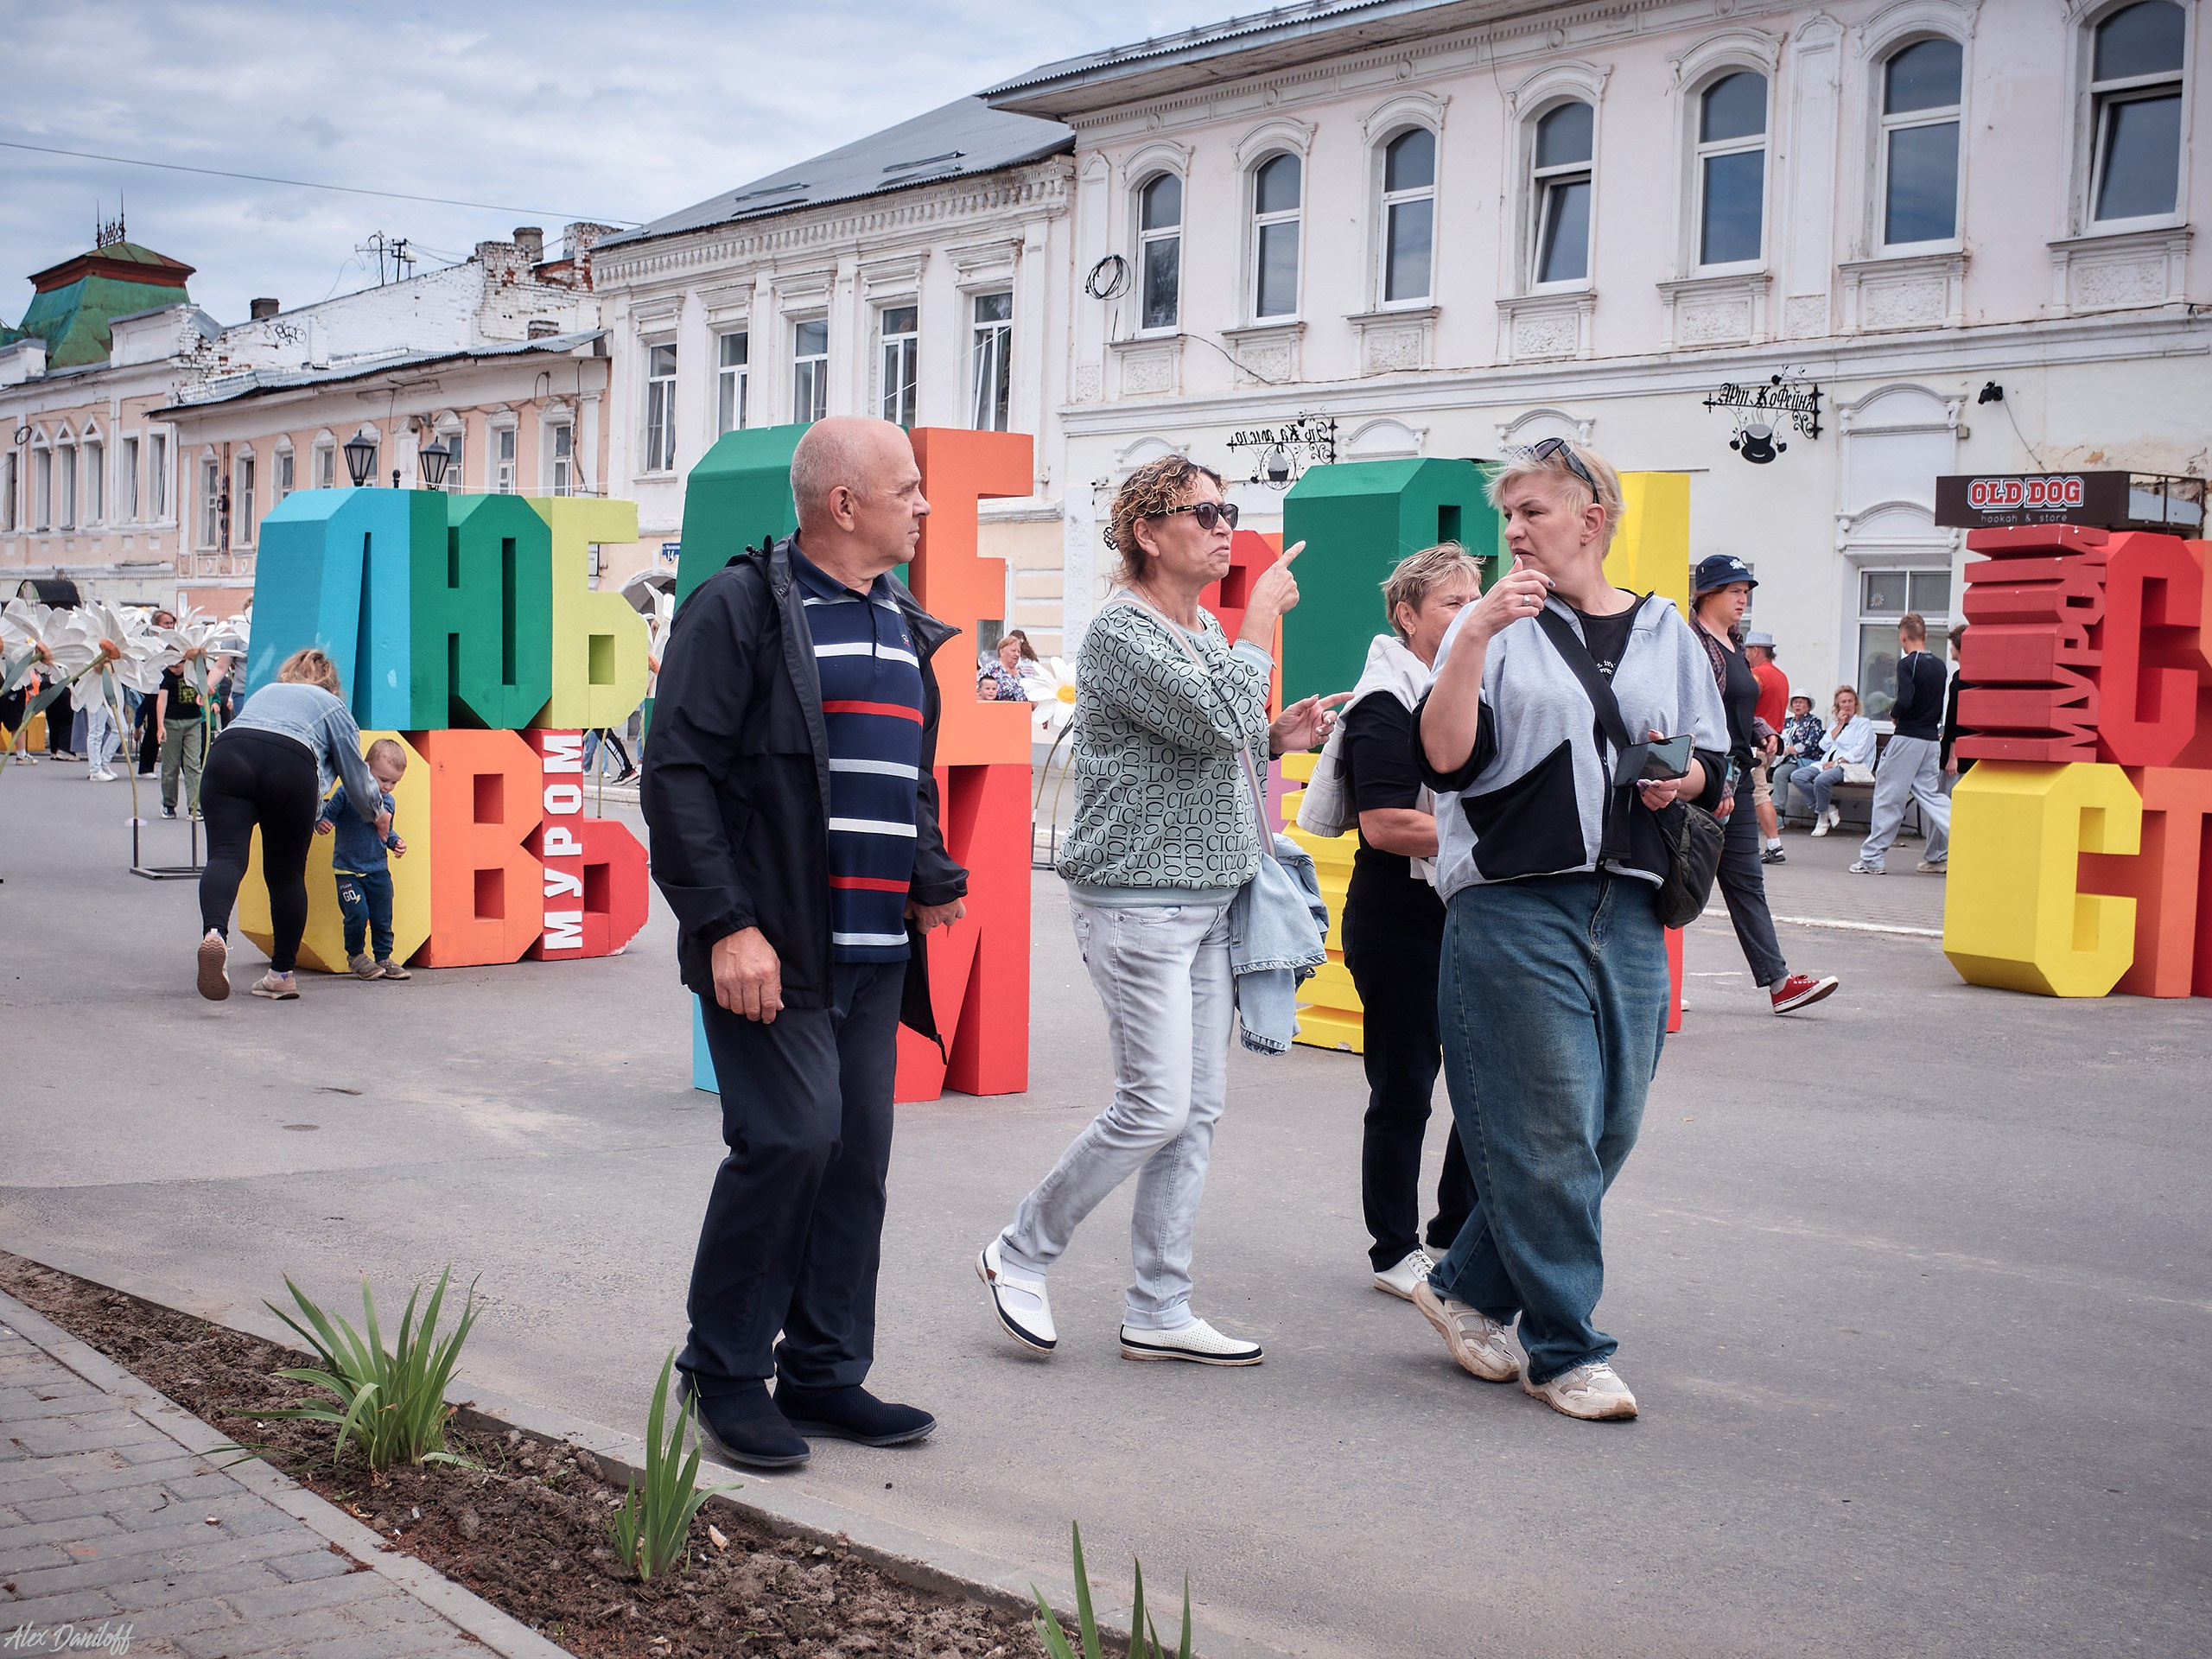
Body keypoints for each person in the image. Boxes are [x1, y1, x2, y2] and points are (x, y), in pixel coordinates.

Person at [641, 416, 969, 1471]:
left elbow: (903, 773)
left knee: (854, 1161)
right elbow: (677, 774)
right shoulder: (739, 607)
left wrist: (928, 874)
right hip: (771, 943)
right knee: (788, 1141)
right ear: (844, 503)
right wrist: (725, 926)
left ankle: (824, 1373)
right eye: (907, 489)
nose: (923, 505)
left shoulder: (899, 619)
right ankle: (724, 1371)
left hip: (874, 950)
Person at [976, 454, 1340, 1369]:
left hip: (1212, 900)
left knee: (1196, 1111)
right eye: (1203, 513)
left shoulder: (1200, 629)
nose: (1223, 528)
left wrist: (1275, 736)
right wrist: (1258, 625)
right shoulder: (1119, 632)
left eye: (1229, 512)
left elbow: (1213, 734)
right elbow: (1212, 720)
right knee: (1154, 1106)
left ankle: (1159, 1306)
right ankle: (1021, 1249)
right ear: (1147, 531)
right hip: (1137, 903)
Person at [1411, 438, 1726, 1422]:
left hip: (1629, 900)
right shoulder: (1491, 626)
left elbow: (1712, 761)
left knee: (1606, 1129)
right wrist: (1472, 634)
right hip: (1513, 901)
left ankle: (1464, 1284)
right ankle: (1566, 1351)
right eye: (1507, 515)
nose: (1514, 531)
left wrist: (1682, 776)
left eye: (1533, 512)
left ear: (1592, 520)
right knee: (1547, 1137)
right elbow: (1445, 760)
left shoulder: (1667, 631)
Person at [1332, 544, 1482, 1299]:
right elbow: (1387, 824)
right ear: (1407, 616)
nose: (1470, 612)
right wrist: (1503, 836)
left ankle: (1456, 1232)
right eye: (1453, 602)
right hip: (1400, 918)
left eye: (1475, 599)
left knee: (1485, 1086)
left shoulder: (1473, 687)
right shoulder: (1384, 702)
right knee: (1405, 1090)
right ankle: (1394, 1250)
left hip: (1471, 909)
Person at [1688, 557, 1840, 1016]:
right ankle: (1653, 983)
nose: (1743, 599)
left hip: (1735, 777)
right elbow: (1692, 714)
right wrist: (1711, 778)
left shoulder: (1734, 644)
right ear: (1707, 594)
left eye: (1746, 591)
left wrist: (1760, 729)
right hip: (1703, 780)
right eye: (1734, 590)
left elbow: (1736, 707)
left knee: (1747, 882)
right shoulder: (1691, 644)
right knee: (1676, 884)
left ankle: (1779, 983)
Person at [195, 648, 390, 1003]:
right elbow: (355, 775)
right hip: (290, 762)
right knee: (285, 875)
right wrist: (377, 813)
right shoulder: (332, 705)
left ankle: (215, 935)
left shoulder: (267, 692)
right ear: (331, 684)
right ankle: (281, 975)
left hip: (228, 753)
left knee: (225, 857)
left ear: (289, 673)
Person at [1853, 611, 1951, 876]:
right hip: (1931, 739)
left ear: (1903, 636)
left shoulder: (1908, 664)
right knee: (1930, 795)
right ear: (1925, 635)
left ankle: (1872, 858)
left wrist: (1894, 713)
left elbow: (1905, 700)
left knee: (1888, 796)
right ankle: (1964, 829)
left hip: (1908, 738)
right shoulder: (1940, 665)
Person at [315, 737, 412, 980]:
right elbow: (327, 816)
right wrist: (323, 824)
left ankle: (384, 957)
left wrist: (396, 843)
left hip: (378, 870)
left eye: (394, 782)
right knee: (357, 914)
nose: (388, 787)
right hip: (348, 870)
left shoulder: (388, 802)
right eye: (383, 779)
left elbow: (386, 832)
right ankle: (356, 956)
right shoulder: (346, 793)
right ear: (366, 768)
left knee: (382, 915)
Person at [1786, 688, 1874, 835]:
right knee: (1797, 776)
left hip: (1848, 766)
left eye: (1850, 701)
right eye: (1843, 702)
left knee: (1821, 780)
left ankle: (1822, 818)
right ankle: (1828, 807)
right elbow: (1823, 745)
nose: (1847, 705)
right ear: (1838, 705)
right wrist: (1839, 725)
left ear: (1856, 704)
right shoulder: (1836, 724)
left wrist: (1836, 763)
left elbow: (1860, 751)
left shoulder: (1863, 724)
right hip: (1826, 763)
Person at [1743, 631, 1789, 864]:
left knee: (1759, 793)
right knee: (1750, 792)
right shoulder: (1782, 677)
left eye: (1747, 650)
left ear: (1756, 650)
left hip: (1756, 744)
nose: (1745, 655)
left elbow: (1745, 706)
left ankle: (1774, 844)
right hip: (1772, 742)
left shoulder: (1757, 675)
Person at [156, 645, 211, 820]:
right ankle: (168, 804)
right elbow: (161, 700)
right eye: (171, 666)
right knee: (170, 767)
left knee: (193, 765)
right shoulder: (166, 676)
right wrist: (160, 726)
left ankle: (195, 806)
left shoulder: (194, 671)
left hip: (193, 722)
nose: (175, 669)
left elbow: (208, 686)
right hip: (171, 723)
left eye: (178, 665)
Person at [1776, 693, 1825, 809]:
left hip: (1802, 760)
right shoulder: (1787, 722)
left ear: (1808, 706)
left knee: (1780, 774)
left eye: (1801, 702)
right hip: (1781, 759)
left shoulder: (1814, 722)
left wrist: (1789, 750)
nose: (1798, 705)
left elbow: (1810, 744)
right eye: (1795, 702)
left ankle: (1778, 811)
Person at [1942, 624, 1973, 785]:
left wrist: (1953, 757)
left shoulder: (1959, 680)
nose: (1950, 648)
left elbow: (1955, 719)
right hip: (1973, 751)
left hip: (1958, 754)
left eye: (1952, 644)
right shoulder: (1978, 677)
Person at [977, 632, 1028, 701]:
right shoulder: (991, 669)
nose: (1017, 654)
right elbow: (978, 693)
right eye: (1013, 651)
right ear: (1001, 652)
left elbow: (1030, 696)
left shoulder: (1021, 674)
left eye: (1019, 652)